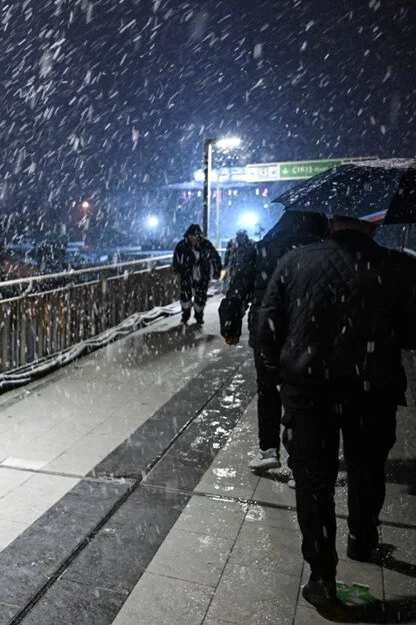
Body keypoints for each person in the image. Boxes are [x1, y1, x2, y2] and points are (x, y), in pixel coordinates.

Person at [257, 215, 416, 610]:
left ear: (332, 223)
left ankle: (322, 577)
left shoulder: (296, 261)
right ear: (375, 226)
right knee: (367, 468)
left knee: (314, 480)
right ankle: (363, 538)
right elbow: (413, 333)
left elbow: (268, 324)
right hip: (372, 390)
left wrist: (275, 375)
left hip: (309, 390)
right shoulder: (400, 266)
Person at [218, 212, 327, 476]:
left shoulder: (263, 248)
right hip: (307, 330)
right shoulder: (322, 250)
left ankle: (268, 450)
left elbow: (237, 288)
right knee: (304, 393)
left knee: (267, 387)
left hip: (266, 329)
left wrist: (231, 324)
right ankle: (300, 459)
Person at [171, 224, 222, 324]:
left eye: (196, 236)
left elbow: (215, 257)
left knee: (201, 295)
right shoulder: (182, 245)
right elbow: (176, 259)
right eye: (192, 236)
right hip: (187, 273)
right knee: (185, 295)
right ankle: (185, 316)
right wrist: (177, 269)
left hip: (202, 274)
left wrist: (217, 271)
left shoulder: (206, 245)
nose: (194, 238)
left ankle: (199, 315)